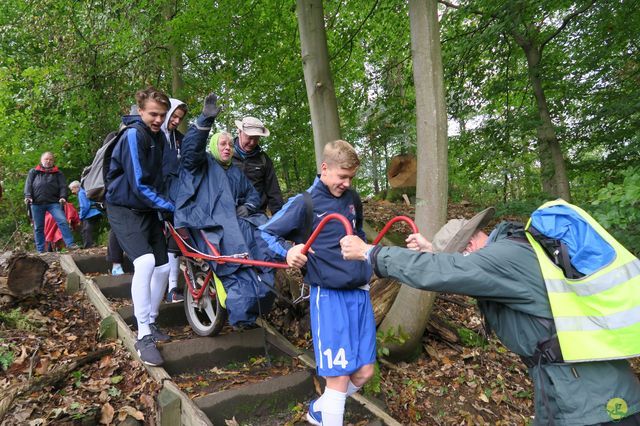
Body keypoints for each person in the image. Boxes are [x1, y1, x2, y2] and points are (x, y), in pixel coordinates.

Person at [340, 208, 640, 425]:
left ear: (469, 245)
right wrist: (434, 250)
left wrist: (372, 253)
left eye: (461, 253)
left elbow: (449, 272)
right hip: (571, 386)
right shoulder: (516, 252)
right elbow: (464, 270)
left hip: (591, 401)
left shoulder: (503, 257)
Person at [258, 140, 375, 426]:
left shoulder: (353, 199)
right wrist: (288, 251)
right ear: (325, 168)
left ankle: (318, 411)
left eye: (351, 177)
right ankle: (329, 412)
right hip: (329, 297)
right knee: (338, 378)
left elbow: (357, 233)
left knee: (363, 373)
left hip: (360, 293)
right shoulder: (306, 202)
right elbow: (265, 233)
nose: (347, 183)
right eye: (342, 176)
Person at [171, 94, 274, 328]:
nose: (227, 148)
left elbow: (252, 196)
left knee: (263, 253)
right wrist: (205, 121)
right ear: (213, 146)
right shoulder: (202, 164)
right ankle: (241, 312)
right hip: (210, 226)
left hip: (237, 224)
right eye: (223, 144)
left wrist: (246, 208)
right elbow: (190, 152)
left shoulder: (236, 172)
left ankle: (254, 306)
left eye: (229, 145)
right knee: (235, 265)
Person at [105, 87, 175, 367]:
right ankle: (143, 333)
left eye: (162, 115)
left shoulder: (160, 138)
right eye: (153, 114)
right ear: (141, 111)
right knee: (145, 262)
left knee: (164, 267)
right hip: (123, 207)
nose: (158, 119)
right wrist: (169, 207)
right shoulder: (134, 134)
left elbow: (163, 177)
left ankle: (153, 321)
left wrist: (172, 203)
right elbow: (138, 182)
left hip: (147, 208)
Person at [24, 151, 78, 253]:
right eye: (46, 159)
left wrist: (63, 197)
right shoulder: (34, 172)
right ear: (41, 160)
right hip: (36, 203)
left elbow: (63, 186)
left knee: (62, 221)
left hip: (53, 203)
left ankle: (70, 244)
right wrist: (28, 195)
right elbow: (28, 185)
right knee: (38, 227)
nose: (48, 161)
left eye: (50, 159)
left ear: (53, 161)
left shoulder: (58, 173)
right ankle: (41, 251)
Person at [161, 98, 188, 303]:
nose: (177, 121)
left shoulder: (180, 139)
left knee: (176, 239)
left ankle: (172, 288)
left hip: (176, 196)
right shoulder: (153, 137)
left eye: (180, 118)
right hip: (156, 195)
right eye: (174, 116)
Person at [232, 116, 284, 215]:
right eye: (250, 138)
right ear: (239, 132)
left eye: (256, 139)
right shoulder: (226, 156)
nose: (252, 143)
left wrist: (280, 219)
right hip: (229, 214)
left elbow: (274, 193)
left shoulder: (264, 160)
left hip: (257, 215)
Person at [68, 180, 102, 248]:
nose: (72, 192)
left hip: (90, 213)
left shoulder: (81, 193)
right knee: (87, 229)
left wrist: (81, 216)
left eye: (72, 189)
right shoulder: (85, 190)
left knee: (85, 230)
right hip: (96, 211)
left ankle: (88, 246)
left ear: (76, 187)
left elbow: (84, 206)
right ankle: (92, 244)